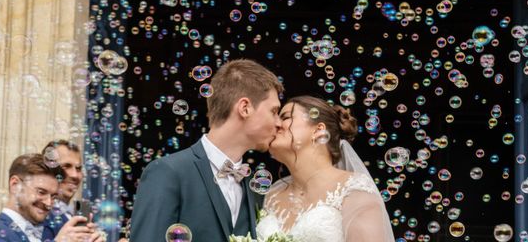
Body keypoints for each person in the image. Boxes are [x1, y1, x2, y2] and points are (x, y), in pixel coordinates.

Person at [129, 59, 284, 242]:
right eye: (273, 111)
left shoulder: (255, 189)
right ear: (245, 108)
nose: (278, 123)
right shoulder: (168, 173)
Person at [257, 95, 395, 242]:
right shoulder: (271, 194)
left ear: (318, 130)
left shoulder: (354, 190)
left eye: (285, 117)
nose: (276, 124)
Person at [0, 153, 101, 242]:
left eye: (53, 196)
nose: (49, 203)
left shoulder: (48, 232)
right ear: (15, 185)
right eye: (41, 192)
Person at [41, 140, 83, 232]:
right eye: (66, 166)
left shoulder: (79, 215)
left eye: (78, 168)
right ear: (49, 168)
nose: (75, 175)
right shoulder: (40, 214)